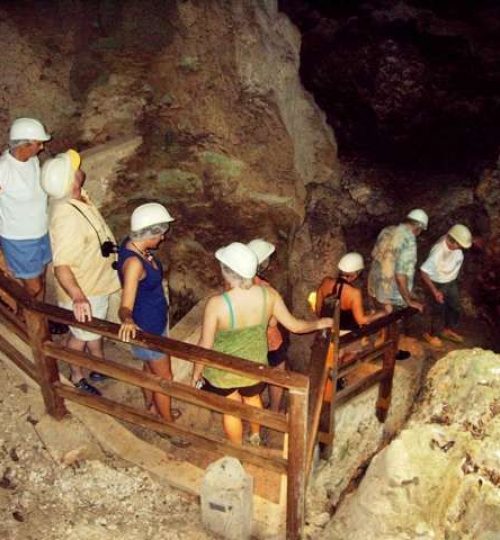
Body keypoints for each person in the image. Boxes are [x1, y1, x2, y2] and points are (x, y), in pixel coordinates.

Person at [192, 242, 333, 446]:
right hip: (255, 365)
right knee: (253, 398)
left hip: (224, 370)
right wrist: (320, 322)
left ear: (226, 272)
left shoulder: (217, 304)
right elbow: (295, 326)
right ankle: (255, 435)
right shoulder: (269, 295)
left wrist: (197, 371)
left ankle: (237, 450)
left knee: (231, 409)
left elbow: (205, 344)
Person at [41, 149, 120, 395]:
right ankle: (76, 376)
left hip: (97, 282)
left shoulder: (75, 197)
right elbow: (62, 264)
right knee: (79, 337)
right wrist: (78, 296)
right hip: (86, 290)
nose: (79, 168)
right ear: (71, 180)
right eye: (74, 168)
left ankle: (98, 364)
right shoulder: (66, 217)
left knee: (91, 330)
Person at [117, 202, 179, 424]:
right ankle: (168, 423)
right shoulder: (134, 264)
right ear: (148, 234)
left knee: (148, 368)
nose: (162, 239)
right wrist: (127, 319)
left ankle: (152, 408)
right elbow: (125, 305)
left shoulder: (131, 245)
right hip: (149, 328)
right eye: (160, 234)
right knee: (165, 378)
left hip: (153, 321)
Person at [0, 119, 52, 299]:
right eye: (38, 144)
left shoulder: (33, 161)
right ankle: (35, 324)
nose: (42, 147)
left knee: (41, 280)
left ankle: (43, 317)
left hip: (41, 232)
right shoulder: (3, 170)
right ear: (24, 145)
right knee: (33, 288)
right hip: (19, 239)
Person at [367, 208, 428, 360]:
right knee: (394, 322)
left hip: (374, 285)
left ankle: (376, 344)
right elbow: (401, 275)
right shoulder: (409, 240)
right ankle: (390, 353)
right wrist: (409, 301)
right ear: (418, 227)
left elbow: (374, 255)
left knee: (382, 317)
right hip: (391, 292)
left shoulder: (387, 230)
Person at [247, 238, 287, 412]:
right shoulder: (265, 288)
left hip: (248, 340)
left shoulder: (235, 285)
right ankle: (275, 410)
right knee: (277, 372)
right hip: (269, 341)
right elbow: (273, 321)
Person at [420, 224, 472, 347]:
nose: (461, 248)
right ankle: (430, 334)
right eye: (459, 245)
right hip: (437, 283)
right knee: (437, 310)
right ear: (452, 241)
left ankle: (447, 330)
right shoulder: (438, 251)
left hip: (450, 281)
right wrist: (435, 291)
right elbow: (424, 272)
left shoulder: (454, 242)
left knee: (455, 306)